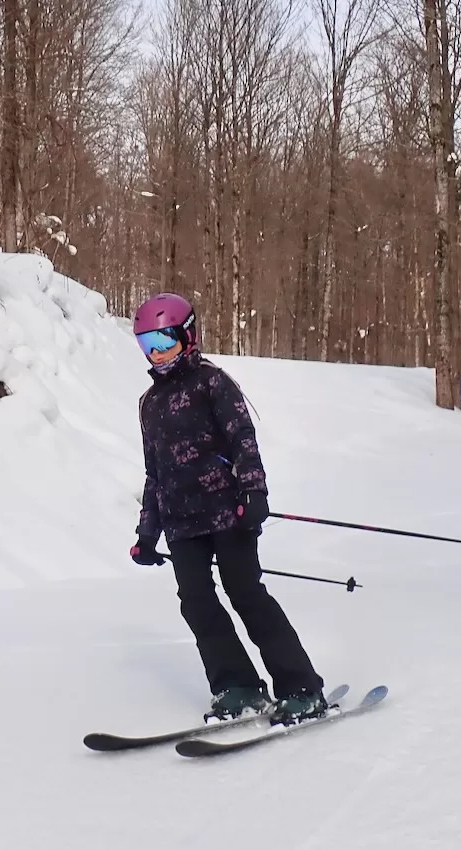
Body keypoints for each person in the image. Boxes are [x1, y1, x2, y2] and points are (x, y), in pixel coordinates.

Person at [127, 292, 328, 723]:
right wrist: (147, 534)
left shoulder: (212, 383)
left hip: (227, 512)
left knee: (246, 594)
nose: (158, 354)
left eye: (165, 341)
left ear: (188, 336)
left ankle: (301, 686)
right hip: (181, 525)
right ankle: (236, 685)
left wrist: (254, 492)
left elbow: (242, 439)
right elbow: (154, 474)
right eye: (148, 345)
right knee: (196, 603)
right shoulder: (149, 404)